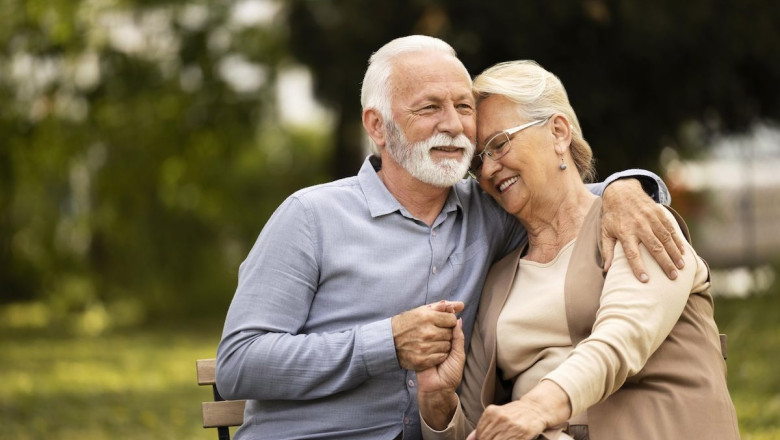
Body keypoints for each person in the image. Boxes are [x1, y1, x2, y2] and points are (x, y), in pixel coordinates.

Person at [216, 36, 685, 440]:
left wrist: (630, 187)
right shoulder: (310, 217)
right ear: (377, 126)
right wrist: (387, 344)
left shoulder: (491, 208)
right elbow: (238, 364)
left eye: (463, 106)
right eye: (429, 108)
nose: (454, 125)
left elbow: (568, 196)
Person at [417, 60, 740, 440]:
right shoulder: (498, 279)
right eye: (477, 160)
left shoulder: (638, 222)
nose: (488, 169)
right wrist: (438, 401)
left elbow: (621, 339)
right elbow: (476, 428)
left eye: (499, 144)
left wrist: (535, 409)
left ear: (558, 132)